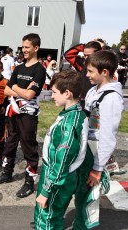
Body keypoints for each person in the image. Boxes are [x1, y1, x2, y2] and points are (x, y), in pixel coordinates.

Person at [0, 33, 46, 199]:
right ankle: (7, 173)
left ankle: (29, 182)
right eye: (23, 47)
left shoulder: (40, 70)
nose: (24, 50)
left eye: (27, 47)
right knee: (10, 143)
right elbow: (6, 90)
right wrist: (19, 90)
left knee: (29, 146)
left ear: (36, 48)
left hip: (28, 115)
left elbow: (30, 95)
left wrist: (15, 89)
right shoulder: (19, 67)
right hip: (13, 111)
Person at [73, 51, 124, 229]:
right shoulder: (94, 91)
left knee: (88, 197)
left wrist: (97, 168)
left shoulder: (111, 99)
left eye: (90, 72)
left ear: (104, 72)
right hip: (85, 147)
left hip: (95, 151)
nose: (86, 75)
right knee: (79, 192)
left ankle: (85, 226)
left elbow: (108, 137)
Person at [34, 70, 88, 229]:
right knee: (54, 215)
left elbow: (62, 160)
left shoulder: (69, 124)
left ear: (67, 93)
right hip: (62, 175)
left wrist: (46, 190)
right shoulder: (75, 113)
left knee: (47, 217)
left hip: (57, 177)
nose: (52, 96)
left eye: (54, 92)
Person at [64, 40, 102, 108]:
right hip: (83, 101)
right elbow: (68, 55)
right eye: (85, 55)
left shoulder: (104, 67)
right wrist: (83, 46)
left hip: (98, 102)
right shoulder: (82, 64)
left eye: (89, 55)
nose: (86, 58)